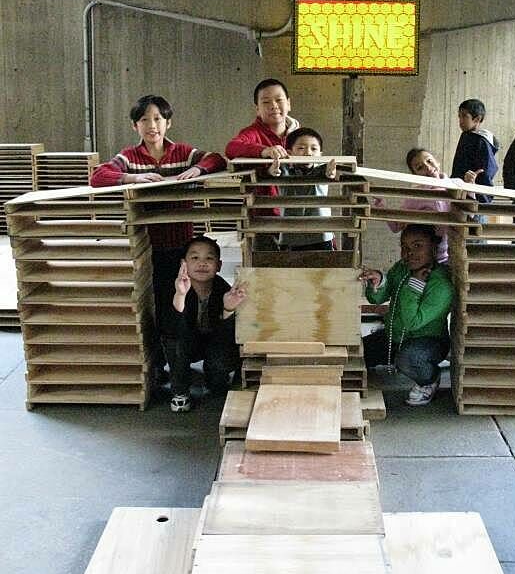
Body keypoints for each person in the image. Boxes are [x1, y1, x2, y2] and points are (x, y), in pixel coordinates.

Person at [90, 94, 227, 375]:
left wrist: (198, 169)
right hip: (150, 249)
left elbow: (217, 159)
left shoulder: (183, 153)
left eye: (157, 119)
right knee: (158, 305)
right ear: (135, 126)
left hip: (183, 247)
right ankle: (161, 363)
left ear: (168, 123)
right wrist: (132, 178)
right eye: (144, 120)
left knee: (185, 302)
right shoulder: (129, 158)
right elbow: (98, 176)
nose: (152, 125)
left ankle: (187, 358)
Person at [360, 224, 454, 407]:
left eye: (418, 246)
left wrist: (415, 285)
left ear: (434, 248)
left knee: (409, 359)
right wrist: (379, 281)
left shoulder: (440, 283)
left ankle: (429, 380)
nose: (409, 253)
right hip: (395, 337)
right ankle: (395, 360)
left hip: (426, 341)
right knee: (359, 352)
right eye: (404, 247)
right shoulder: (402, 268)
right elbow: (378, 297)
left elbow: (413, 322)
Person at [161, 236, 246, 412]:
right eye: (195, 258)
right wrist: (180, 296)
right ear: (183, 264)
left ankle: (214, 378)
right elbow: (171, 328)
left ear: (219, 265)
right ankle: (180, 391)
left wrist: (228, 309)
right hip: (186, 341)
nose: (202, 263)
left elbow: (228, 336)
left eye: (209, 258)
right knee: (174, 342)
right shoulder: (175, 287)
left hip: (213, 343)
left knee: (218, 385)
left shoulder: (224, 290)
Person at [225, 78, 300, 249]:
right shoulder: (251, 133)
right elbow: (231, 147)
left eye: (279, 100)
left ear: (288, 104)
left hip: (299, 216)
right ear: (257, 109)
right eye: (266, 102)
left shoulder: (301, 135)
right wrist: (264, 151)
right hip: (265, 220)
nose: (273, 106)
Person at [372, 148, 451, 264]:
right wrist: (380, 202)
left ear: (437, 161)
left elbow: (469, 214)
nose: (428, 168)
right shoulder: (416, 195)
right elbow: (396, 226)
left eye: (429, 161)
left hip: (449, 258)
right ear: (416, 176)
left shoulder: (454, 187)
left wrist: (471, 187)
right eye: (420, 167)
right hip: (421, 261)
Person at [267, 127, 336, 251]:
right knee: (290, 269)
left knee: (323, 269)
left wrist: (331, 173)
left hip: (321, 235)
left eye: (314, 149)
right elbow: (275, 172)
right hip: (291, 236)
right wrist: (273, 170)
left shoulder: (322, 169)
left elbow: (329, 173)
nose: (308, 152)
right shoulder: (285, 169)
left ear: (321, 154)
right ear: (289, 152)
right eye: (301, 148)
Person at [451, 99, 499, 203]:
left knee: (475, 218)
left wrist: (481, 196)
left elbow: (487, 170)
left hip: (475, 197)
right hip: (461, 192)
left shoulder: (481, 141)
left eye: (464, 116)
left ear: (477, 119)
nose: (460, 120)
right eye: (459, 116)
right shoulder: (466, 136)